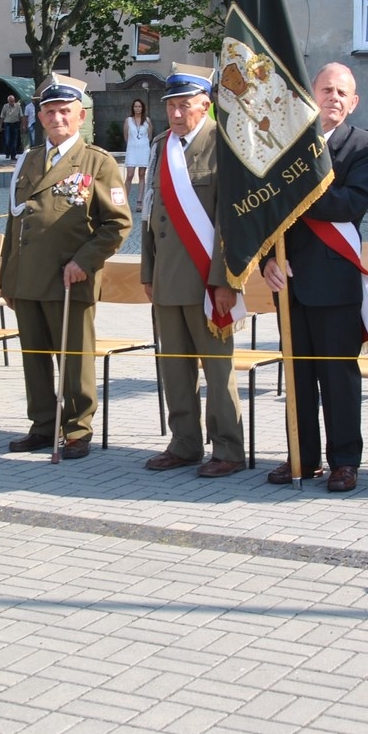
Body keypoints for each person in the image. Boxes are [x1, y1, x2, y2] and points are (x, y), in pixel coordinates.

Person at [261, 62, 368, 493]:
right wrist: (265, 262)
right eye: (325, 89)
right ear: (310, 97)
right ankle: (302, 456)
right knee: (297, 377)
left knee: (338, 379)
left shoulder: (364, 147)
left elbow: (349, 205)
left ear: (353, 102)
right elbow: (265, 212)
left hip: (335, 284)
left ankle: (345, 461)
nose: (333, 97)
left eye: (341, 92)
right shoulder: (284, 147)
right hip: (289, 281)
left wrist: (298, 191)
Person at [0, 74, 132, 459]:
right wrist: (8, 276)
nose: (57, 118)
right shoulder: (28, 161)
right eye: (49, 111)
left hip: (69, 277)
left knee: (74, 359)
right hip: (28, 278)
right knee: (35, 359)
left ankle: (77, 429)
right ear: (39, 117)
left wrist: (83, 262)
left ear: (79, 115)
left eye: (64, 111)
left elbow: (117, 224)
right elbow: (15, 220)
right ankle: (43, 425)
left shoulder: (98, 162)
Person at [140, 65, 246, 478]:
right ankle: (184, 443)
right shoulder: (159, 146)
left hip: (207, 281)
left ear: (206, 105)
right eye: (172, 105)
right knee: (174, 367)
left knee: (217, 370)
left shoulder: (224, 145)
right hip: (168, 276)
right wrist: (148, 270)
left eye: (186, 105)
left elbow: (230, 220)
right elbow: (151, 212)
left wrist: (224, 281)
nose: (177, 113)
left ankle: (228, 449)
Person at [122, 97, 152, 209]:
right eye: (135, 106)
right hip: (132, 149)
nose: (137, 108)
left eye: (139, 106)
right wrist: (133, 144)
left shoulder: (147, 120)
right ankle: (123, 202)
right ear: (133, 108)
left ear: (142, 108)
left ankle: (139, 202)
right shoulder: (128, 120)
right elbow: (126, 136)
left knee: (141, 175)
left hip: (144, 149)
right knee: (129, 175)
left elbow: (149, 136)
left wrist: (142, 144)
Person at [0, 93, 24, 159]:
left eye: (13, 101)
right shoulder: (5, 106)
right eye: (10, 101)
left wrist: (22, 125)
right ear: (8, 101)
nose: (12, 102)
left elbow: (21, 116)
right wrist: (0, 126)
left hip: (15, 124)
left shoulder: (18, 106)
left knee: (15, 140)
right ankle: (7, 152)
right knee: (7, 140)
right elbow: (2, 116)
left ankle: (13, 155)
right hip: (7, 124)